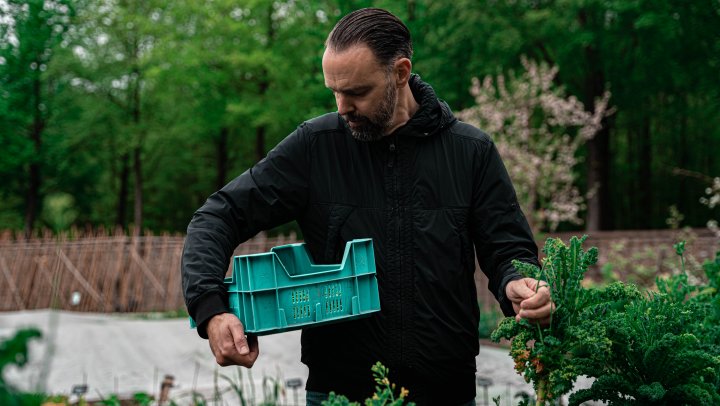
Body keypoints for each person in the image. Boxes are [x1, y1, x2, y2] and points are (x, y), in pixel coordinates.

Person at [181, 7, 552, 406]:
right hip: (339, 391)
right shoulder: (315, 147)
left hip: (446, 391)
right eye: (334, 91)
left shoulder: (470, 152)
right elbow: (218, 216)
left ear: (400, 72)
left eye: (356, 92)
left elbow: (508, 248)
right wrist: (211, 308)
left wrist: (518, 281)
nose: (342, 106)